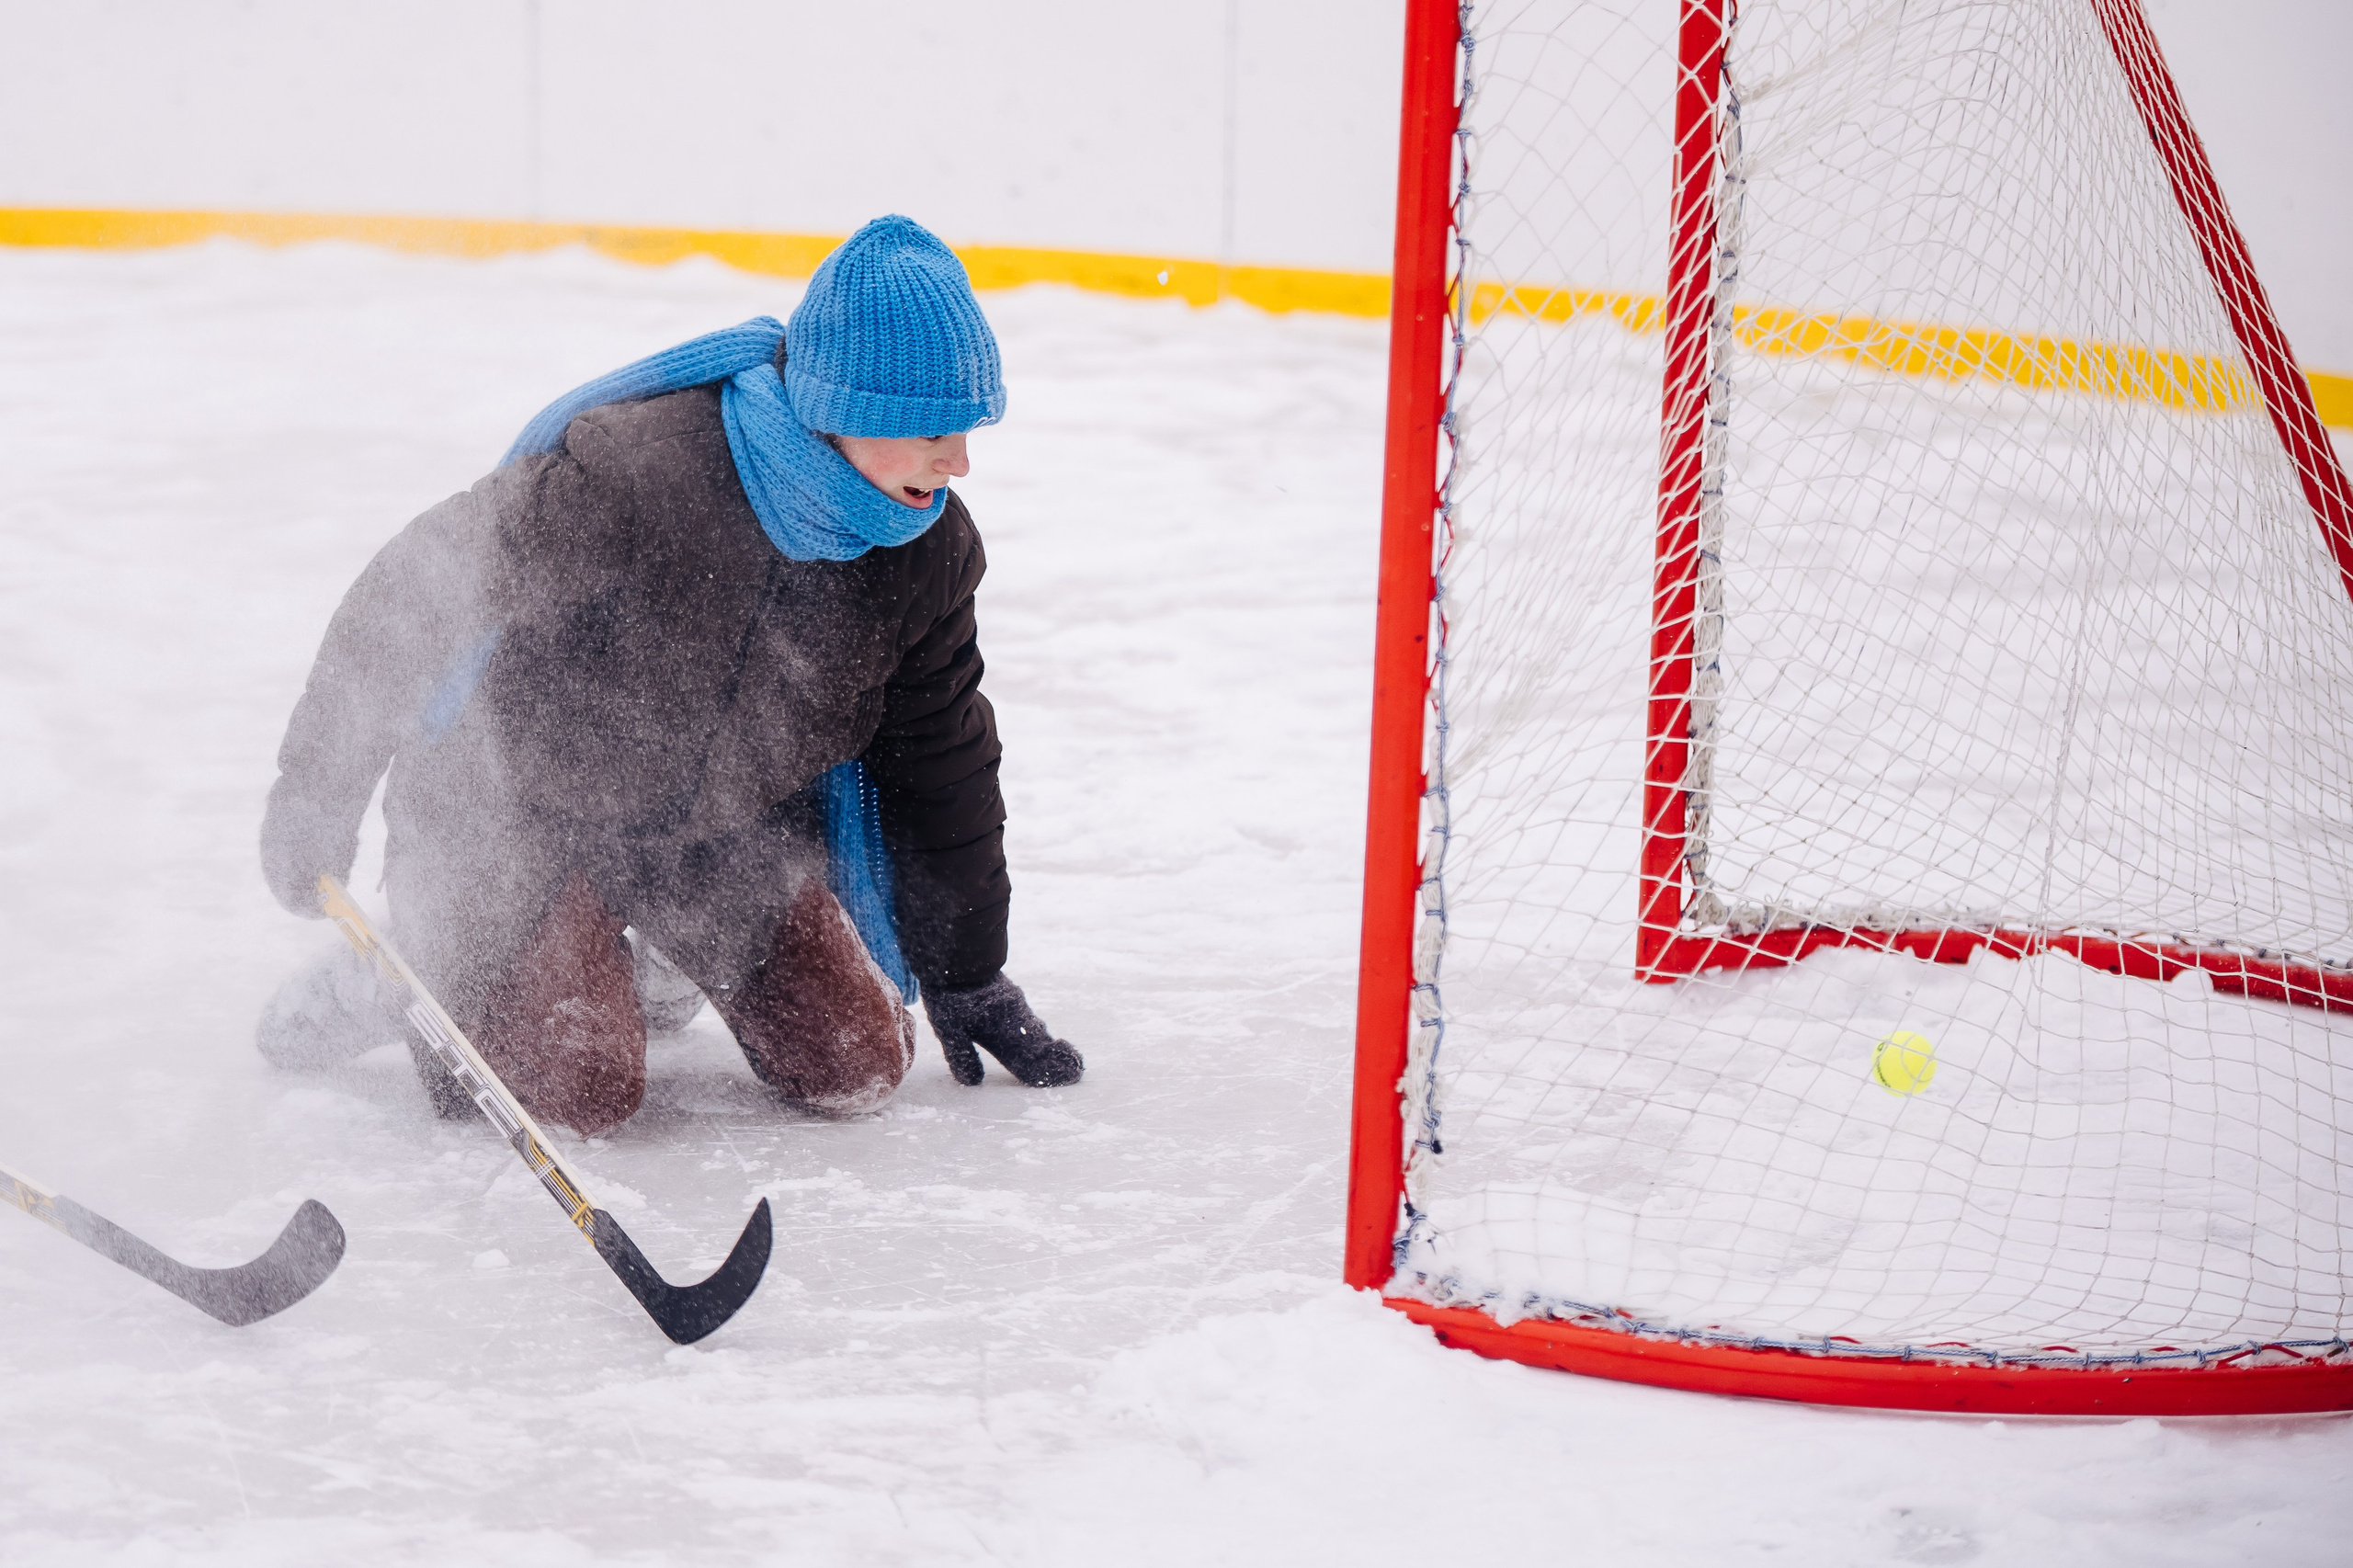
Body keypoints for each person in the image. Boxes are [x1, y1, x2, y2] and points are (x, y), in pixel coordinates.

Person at [255, 215, 1083, 1135]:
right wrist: (314, 797)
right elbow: (417, 593)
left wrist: (966, 969)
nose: (959, 462)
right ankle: (417, 955)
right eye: (934, 431)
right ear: (845, 406)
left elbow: (941, 758)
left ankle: (650, 960)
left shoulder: (922, 554)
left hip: (714, 831)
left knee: (858, 1061)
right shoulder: (643, 476)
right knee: (581, 1086)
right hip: (526, 815)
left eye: (967, 431)